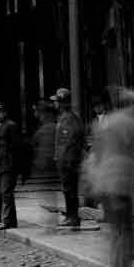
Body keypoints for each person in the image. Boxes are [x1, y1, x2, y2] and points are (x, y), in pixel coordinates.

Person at [86, 87, 134, 267]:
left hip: (103, 185)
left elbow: (95, 154)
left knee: (116, 236)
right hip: (120, 185)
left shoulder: (106, 122)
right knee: (126, 238)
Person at [53, 88, 86, 227]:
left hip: (69, 160)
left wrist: (64, 160)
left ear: (62, 103)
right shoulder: (64, 117)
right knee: (67, 189)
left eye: (56, 102)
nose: (54, 104)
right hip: (65, 159)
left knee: (70, 189)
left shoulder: (69, 118)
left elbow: (70, 142)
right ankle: (71, 215)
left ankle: (73, 217)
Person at [0, 102, 23, 230]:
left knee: (6, 192)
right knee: (4, 192)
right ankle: (10, 220)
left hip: (9, 164)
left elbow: (17, 146)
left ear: (5, 112)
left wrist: (15, 165)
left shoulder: (11, 126)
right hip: (1, 164)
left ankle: (6, 220)